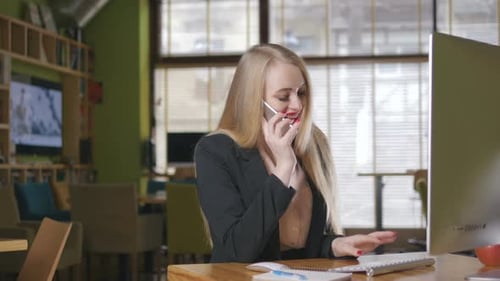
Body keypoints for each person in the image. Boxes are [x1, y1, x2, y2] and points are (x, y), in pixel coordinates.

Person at [194, 43, 397, 263]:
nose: (297, 105)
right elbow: (238, 249)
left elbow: (305, 240)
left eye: (301, 93)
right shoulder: (215, 151)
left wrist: (335, 244)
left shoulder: (314, 142)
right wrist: (283, 169)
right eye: (283, 97)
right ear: (252, 100)